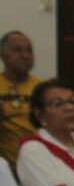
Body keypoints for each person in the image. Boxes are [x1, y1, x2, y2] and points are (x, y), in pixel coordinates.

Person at [0, 30, 42, 170]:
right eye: (17, 50)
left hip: (38, 164)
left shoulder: (42, 88)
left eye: (29, 51)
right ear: (2, 55)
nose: (25, 55)